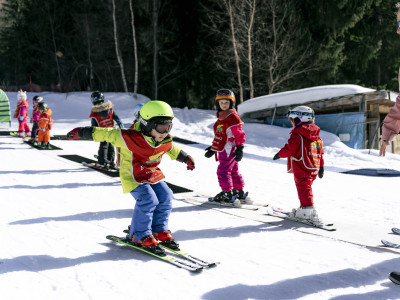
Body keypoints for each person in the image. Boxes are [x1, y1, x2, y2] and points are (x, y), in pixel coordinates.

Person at [67, 100, 195, 255]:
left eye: (168, 127)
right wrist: (82, 132)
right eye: (161, 128)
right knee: (149, 200)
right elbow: (107, 134)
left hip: (152, 174)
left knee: (166, 196)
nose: (164, 132)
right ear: (147, 124)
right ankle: (139, 234)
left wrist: (185, 158)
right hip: (133, 175)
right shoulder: (129, 137)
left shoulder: (164, 139)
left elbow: (171, 148)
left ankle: (158, 229)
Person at [273, 106, 324, 225]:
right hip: (313, 167)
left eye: (292, 120)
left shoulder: (298, 134)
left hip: (301, 166)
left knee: (303, 187)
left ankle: (307, 210)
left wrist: (279, 154)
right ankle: (305, 208)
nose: (292, 123)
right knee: (306, 188)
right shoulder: (316, 136)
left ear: (299, 119)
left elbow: (290, 148)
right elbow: (320, 152)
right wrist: (321, 166)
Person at [204, 88, 247, 202]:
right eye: (221, 102)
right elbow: (220, 136)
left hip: (228, 149)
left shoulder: (232, 117)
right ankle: (238, 191)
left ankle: (227, 193)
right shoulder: (222, 118)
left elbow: (239, 134)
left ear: (231, 103)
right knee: (232, 170)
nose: (224, 105)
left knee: (223, 171)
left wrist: (240, 148)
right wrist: (213, 148)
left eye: (226, 102)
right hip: (225, 148)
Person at [89, 91, 123, 169]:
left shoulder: (94, 113)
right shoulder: (110, 108)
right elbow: (117, 118)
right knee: (111, 145)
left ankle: (101, 162)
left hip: (102, 131)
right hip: (112, 130)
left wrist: (92, 133)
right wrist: (121, 125)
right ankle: (111, 161)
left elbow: (94, 125)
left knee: (103, 146)